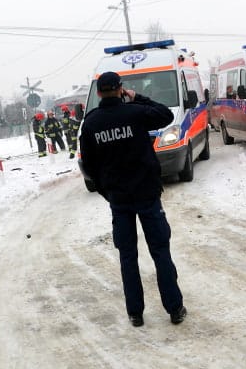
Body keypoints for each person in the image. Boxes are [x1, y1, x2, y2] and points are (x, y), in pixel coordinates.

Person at [79, 71, 186, 328]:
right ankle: (174, 308)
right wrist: (137, 97)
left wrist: (108, 191)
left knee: (127, 256)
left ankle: (135, 313)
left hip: (119, 199)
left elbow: (90, 166)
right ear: (120, 89)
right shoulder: (135, 113)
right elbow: (165, 114)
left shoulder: (92, 124)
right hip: (147, 195)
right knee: (160, 251)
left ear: (99, 92)